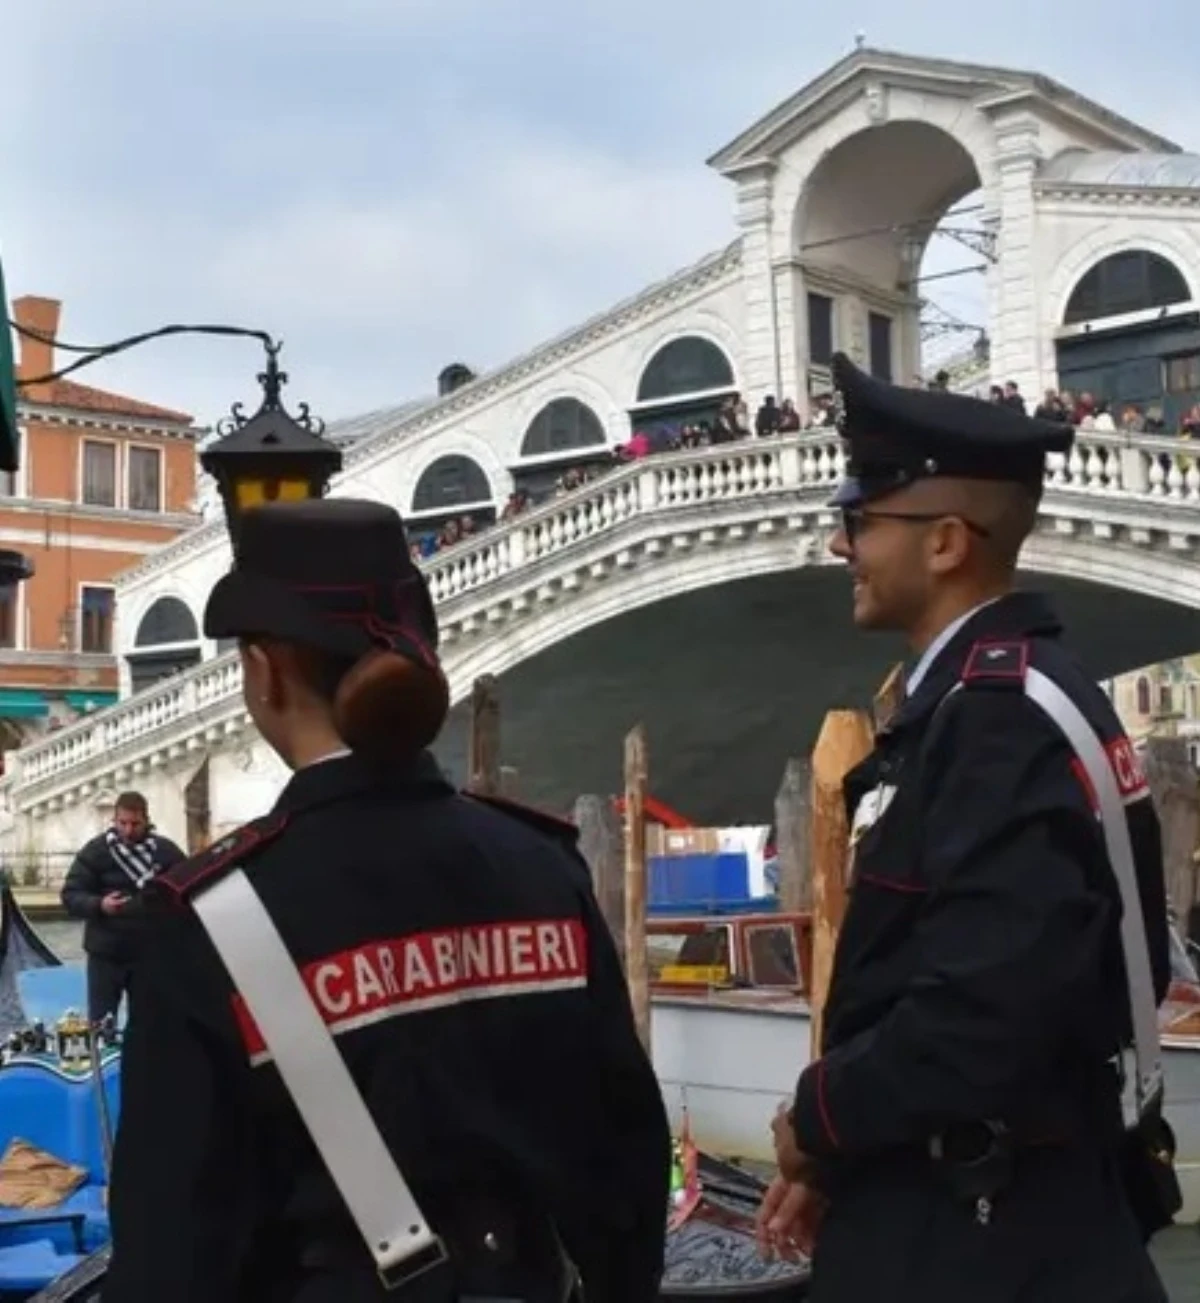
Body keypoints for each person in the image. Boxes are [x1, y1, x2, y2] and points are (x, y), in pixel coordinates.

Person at [103, 498, 670, 1303]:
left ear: (264, 672)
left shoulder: (207, 925)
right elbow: (628, 1169)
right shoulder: (543, 866)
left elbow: (173, 1256)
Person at [756, 353, 1173, 1302]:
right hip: (1006, 1205)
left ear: (945, 541)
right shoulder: (1017, 696)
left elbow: (980, 1017)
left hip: (979, 1236)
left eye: (858, 521)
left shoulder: (994, 718)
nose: (838, 547)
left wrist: (818, 1120)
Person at [59, 790, 185, 1023]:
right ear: (114, 821)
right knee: (101, 1025)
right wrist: (100, 905)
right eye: (122, 823)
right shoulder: (95, 852)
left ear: (146, 820)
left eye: (135, 824)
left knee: (153, 1027)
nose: (128, 830)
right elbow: (71, 895)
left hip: (152, 956)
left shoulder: (167, 853)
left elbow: (187, 894)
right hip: (106, 956)